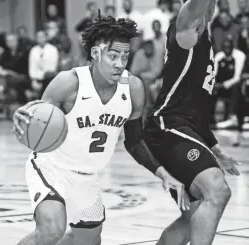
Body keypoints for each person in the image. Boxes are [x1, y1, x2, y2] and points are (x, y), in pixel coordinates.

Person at [13, 14, 189, 245]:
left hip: (87, 176)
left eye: (125, 56)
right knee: (51, 229)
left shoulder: (133, 87)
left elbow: (134, 141)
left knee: (88, 241)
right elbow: (38, 118)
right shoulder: (69, 83)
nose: (120, 63)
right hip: (51, 167)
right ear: (95, 54)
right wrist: (22, 114)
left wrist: (163, 174)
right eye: (113, 56)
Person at [143, 1, 241, 245]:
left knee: (192, 216)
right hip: (168, 126)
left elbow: (197, 106)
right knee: (217, 191)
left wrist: (214, 148)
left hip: (184, 128)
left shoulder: (203, 32)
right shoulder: (186, 26)